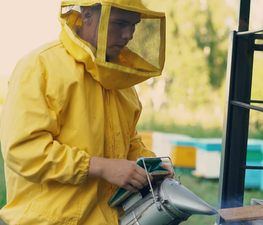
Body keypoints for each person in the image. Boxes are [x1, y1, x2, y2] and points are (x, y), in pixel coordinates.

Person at [0, 0, 172, 224]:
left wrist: (152, 167)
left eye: (134, 25)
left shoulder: (122, 82)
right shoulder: (40, 66)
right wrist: (101, 167)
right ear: (88, 15)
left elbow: (128, 143)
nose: (128, 34)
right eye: (119, 23)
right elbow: (23, 150)